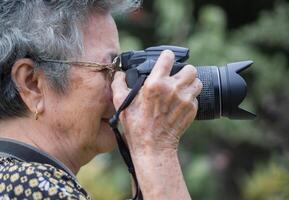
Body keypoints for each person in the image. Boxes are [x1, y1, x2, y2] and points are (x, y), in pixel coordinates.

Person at [0, 0, 202, 199]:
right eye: (108, 70)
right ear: (32, 83)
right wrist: (156, 149)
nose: (120, 90)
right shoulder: (34, 186)